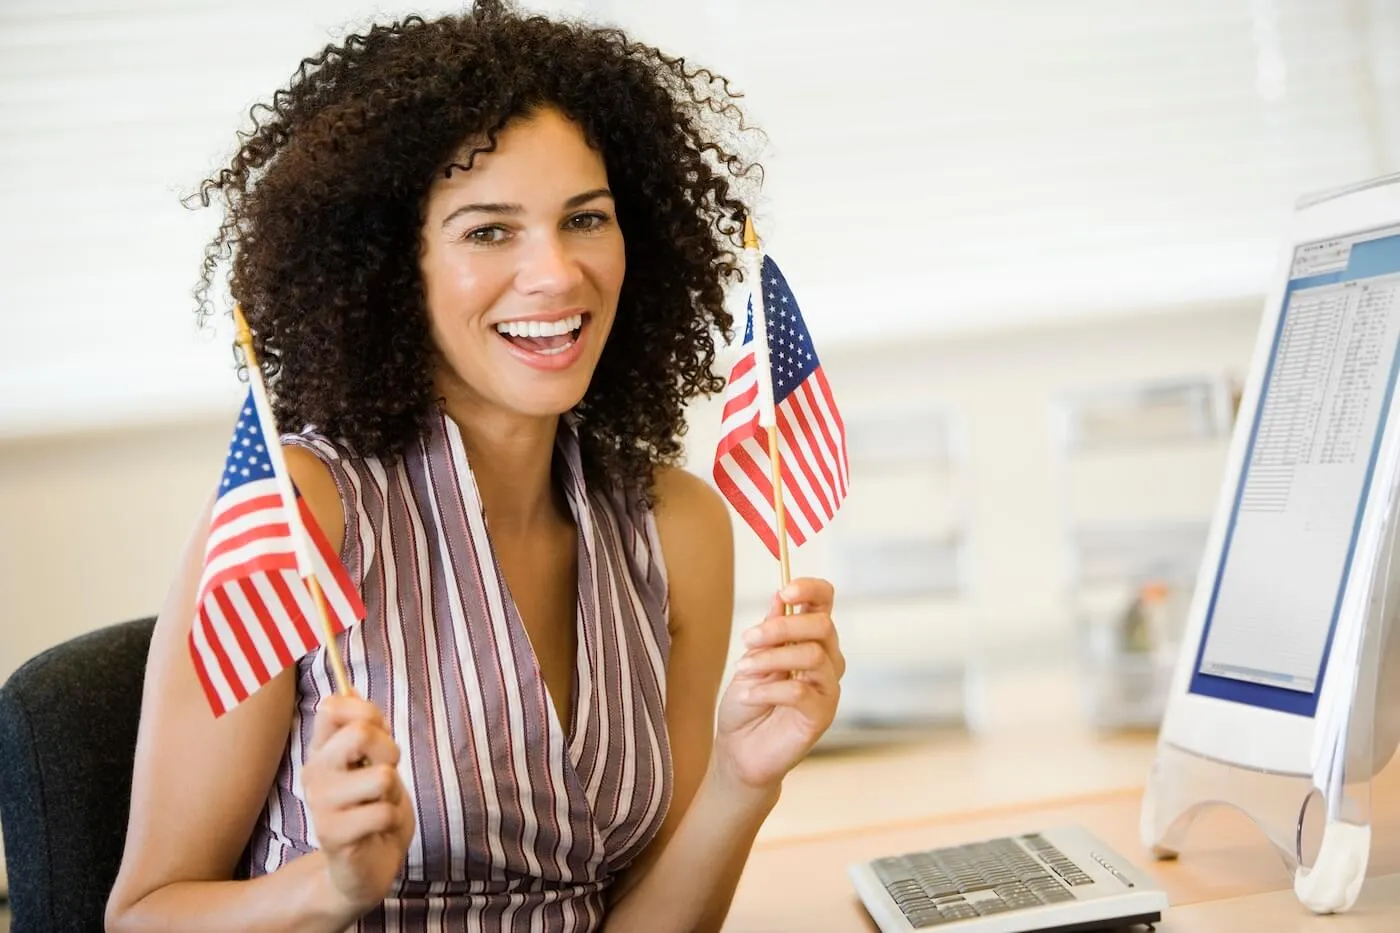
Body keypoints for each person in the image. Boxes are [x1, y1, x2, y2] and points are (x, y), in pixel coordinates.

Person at [105, 2, 845, 931]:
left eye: (586, 218)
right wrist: (328, 887)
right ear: (388, 267)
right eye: (489, 231)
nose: (557, 274)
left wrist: (743, 780)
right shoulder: (305, 512)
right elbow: (143, 915)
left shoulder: (676, 524)